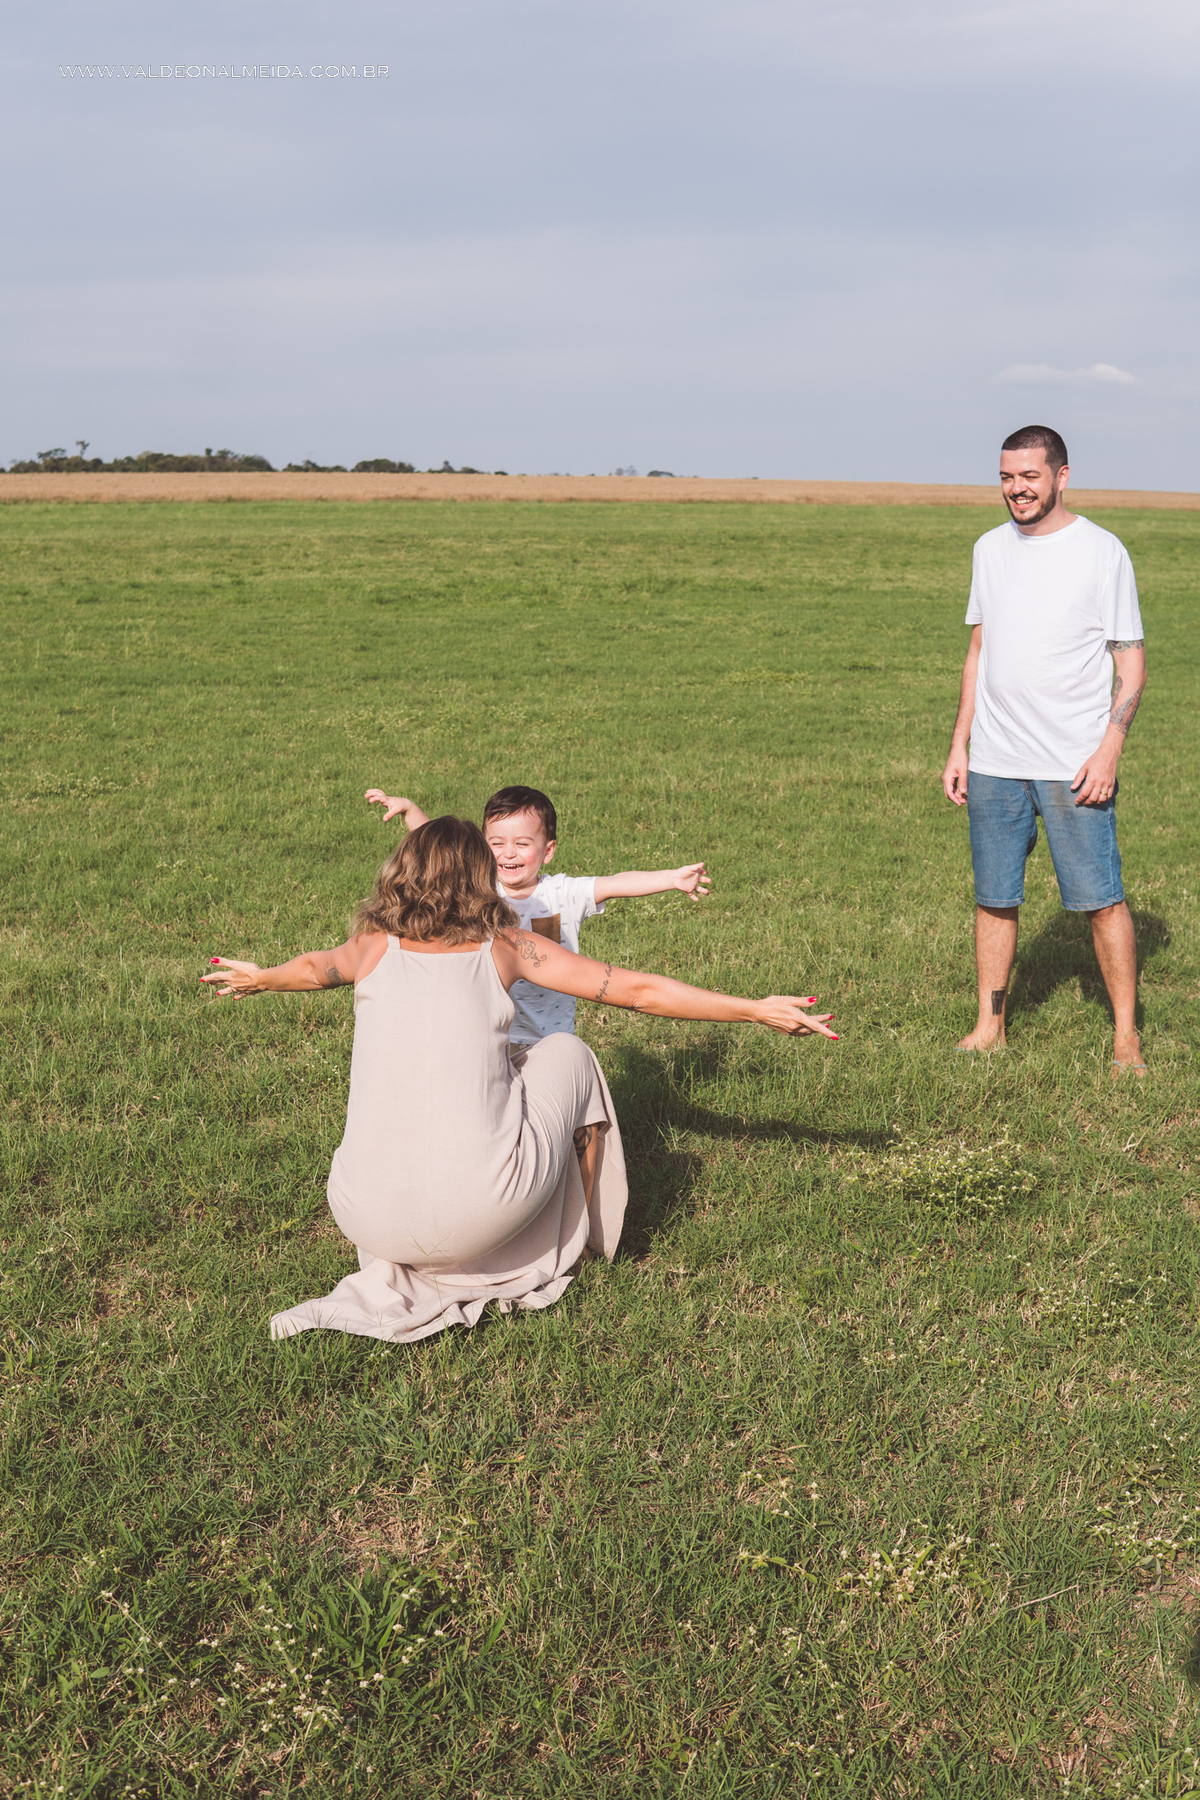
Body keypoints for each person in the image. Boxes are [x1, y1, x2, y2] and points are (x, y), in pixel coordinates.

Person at [202, 816, 837, 1345]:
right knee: (566, 1051)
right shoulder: (506, 946)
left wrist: (261, 977)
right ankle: (591, 1244)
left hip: (361, 1215)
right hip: (482, 1214)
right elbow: (638, 992)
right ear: (481, 876)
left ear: (401, 873)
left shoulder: (371, 947)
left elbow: (315, 969)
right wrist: (753, 1008)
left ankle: (450, 1241)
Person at [942, 425, 1147, 1072]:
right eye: (1006, 477)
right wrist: (960, 746)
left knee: (1101, 898)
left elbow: (1132, 664)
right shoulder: (988, 550)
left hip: (1072, 764)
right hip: (997, 760)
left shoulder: (1102, 552)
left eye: (1028, 476)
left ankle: (1125, 1038)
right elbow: (980, 651)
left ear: (1061, 475)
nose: (1016, 489)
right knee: (994, 896)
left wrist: (1109, 747)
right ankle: (989, 1026)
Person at [364, 782, 711, 1049]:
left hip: (550, 1033)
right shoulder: (479, 887)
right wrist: (410, 810)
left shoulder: (562, 893)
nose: (508, 853)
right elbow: (441, 850)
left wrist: (670, 878)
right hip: (490, 1029)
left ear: (548, 851)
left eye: (522, 844)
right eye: (496, 843)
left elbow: (616, 883)